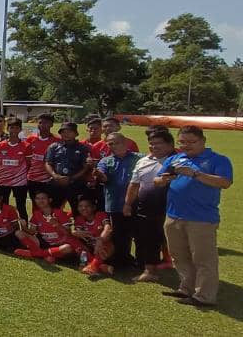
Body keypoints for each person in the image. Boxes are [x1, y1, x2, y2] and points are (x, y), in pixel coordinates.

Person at [155, 125, 233, 307]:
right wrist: (164, 179)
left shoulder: (218, 160)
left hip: (201, 218)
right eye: (182, 142)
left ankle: (204, 296)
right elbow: (157, 180)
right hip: (174, 215)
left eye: (191, 142)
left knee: (203, 259)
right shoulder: (175, 158)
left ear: (203, 141)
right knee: (179, 256)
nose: (186, 145)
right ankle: (186, 288)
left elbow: (225, 182)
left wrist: (196, 174)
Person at [126, 129, 175, 282]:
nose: (154, 146)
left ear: (170, 145)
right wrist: (128, 204)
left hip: (173, 209)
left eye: (158, 143)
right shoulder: (143, 161)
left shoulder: (178, 161)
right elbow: (134, 184)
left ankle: (186, 274)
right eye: (151, 144)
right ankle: (149, 270)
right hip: (146, 208)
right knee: (148, 239)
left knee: (174, 241)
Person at [93, 132, 139, 270]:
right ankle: (121, 261)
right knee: (119, 234)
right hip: (115, 203)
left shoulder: (139, 158)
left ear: (125, 143)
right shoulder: (105, 161)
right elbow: (104, 178)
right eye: (110, 144)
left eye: (116, 143)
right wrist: (99, 174)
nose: (113, 146)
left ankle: (141, 262)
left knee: (139, 233)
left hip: (136, 203)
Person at [14, 191, 82, 263]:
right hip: (44, 242)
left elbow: (68, 234)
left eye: (43, 198)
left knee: (67, 248)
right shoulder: (36, 213)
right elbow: (32, 232)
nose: (40, 201)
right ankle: (49, 254)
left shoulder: (60, 213)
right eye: (37, 198)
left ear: (50, 200)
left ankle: (36, 253)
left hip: (59, 243)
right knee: (19, 233)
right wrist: (24, 227)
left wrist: (57, 224)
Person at [44, 122, 90, 211]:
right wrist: (55, 176)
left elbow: (85, 167)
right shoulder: (53, 147)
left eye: (69, 132)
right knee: (54, 210)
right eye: (63, 132)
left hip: (76, 184)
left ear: (76, 134)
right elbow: (48, 163)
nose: (66, 134)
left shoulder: (83, 148)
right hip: (57, 184)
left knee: (77, 210)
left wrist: (71, 178)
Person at [0, 118, 30, 219]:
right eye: (11, 127)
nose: (14, 130)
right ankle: (4, 225)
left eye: (17, 128)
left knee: (21, 207)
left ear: (20, 129)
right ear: (7, 128)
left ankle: (24, 226)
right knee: (3, 206)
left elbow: (28, 164)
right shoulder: (0, 145)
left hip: (20, 183)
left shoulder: (26, 146)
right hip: (3, 182)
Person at [24, 113, 59, 208]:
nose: (42, 125)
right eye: (40, 123)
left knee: (49, 204)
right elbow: (26, 159)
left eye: (46, 123)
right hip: (32, 179)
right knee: (35, 204)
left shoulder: (57, 141)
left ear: (51, 125)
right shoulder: (30, 139)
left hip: (49, 179)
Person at [72, 197, 113, 277]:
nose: (83, 208)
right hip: (90, 248)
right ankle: (100, 266)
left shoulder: (100, 215)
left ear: (94, 207)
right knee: (75, 243)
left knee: (105, 244)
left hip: (105, 247)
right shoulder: (79, 219)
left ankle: (93, 266)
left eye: (87, 206)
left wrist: (100, 239)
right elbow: (75, 232)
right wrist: (75, 233)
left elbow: (108, 228)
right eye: (80, 206)